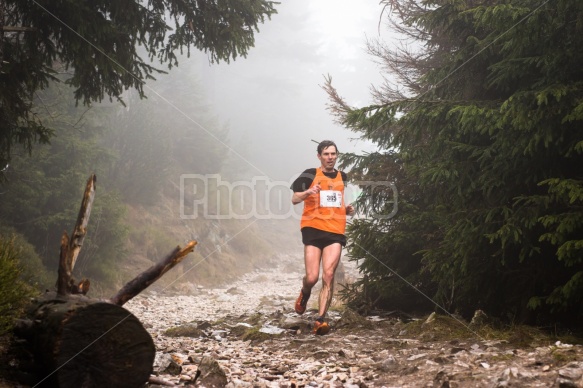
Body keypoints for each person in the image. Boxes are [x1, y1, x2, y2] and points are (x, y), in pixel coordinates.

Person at [290, 140, 354, 335]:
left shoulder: (342, 176)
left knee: (328, 274)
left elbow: (337, 201)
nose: (330, 157)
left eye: (333, 154)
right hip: (312, 228)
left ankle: (320, 320)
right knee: (312, 277)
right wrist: (308, 192)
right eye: (326, 154)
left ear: (337, 156)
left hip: (335, 229)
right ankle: (305, 292)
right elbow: (294, 199)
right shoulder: (310, 174)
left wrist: (348, 209)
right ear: (319, 156)